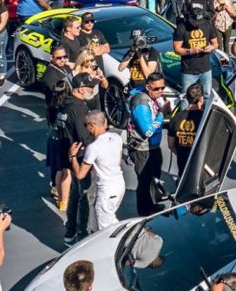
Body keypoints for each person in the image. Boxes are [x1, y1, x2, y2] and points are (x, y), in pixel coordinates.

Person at [71, 110, 125, 235]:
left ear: (92, 125)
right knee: (103, 221)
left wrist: (73, 156)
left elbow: (80, 174)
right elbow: (118, 161)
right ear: (105, 122)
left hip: (106, 190)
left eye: (86, 125)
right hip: (119, 184)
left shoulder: (93, 147)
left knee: (105, 231)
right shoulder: (116, 138)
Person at [128, 75, 167, 216]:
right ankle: (144, 212)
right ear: (148, 87)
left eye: (163, 87)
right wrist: (162, 114)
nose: (161, 91)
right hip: (141, 149)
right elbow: (148, 131)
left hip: (153, 147)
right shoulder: (141, 103)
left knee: (154, 177)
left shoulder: (153, 98)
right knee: (144, 182)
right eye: (157, 88)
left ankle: (152, 205)